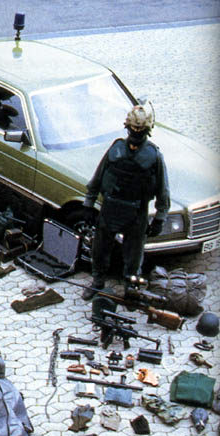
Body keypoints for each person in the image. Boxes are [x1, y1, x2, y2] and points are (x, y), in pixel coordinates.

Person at [81, 104, 170, 300]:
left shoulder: (154, 156)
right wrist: (88, 205)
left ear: (148, 130)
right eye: (133, 129)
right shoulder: (116, 149)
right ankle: (97, 281)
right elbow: (97, 178)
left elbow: (163, 190)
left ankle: (131, 286)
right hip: (110, 208)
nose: (136, 133)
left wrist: (160, 218)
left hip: (136, 213)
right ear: (127, 127)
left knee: (134, 255)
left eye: (140, 130)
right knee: (100, 249)